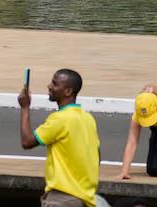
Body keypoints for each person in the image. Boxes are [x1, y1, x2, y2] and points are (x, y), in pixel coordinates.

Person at [19, 68, 99, 207]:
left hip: (62, 199)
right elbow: (97, 156)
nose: (49, 86)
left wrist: (25, 107)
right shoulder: (88, 119)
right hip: (86, 199)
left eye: (55, 84)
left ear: (68, 91)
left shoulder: (60, 119)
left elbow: (27, 141)